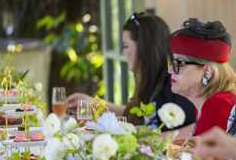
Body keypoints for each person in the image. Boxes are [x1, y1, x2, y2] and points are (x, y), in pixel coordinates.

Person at [67, 12, 196, 131]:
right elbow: (140, 115)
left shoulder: (175, 84)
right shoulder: (152, 80)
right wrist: (96, 105)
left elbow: (197, 128)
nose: (123, 53)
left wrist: (155, 139)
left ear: (144, 47)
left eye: (126, 46)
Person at [169, 18, 236, 136]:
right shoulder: (205, 103)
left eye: (179, 63)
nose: (170, 70)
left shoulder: (219, 105)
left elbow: (204, 154)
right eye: (172, 62)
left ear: (208, 71)